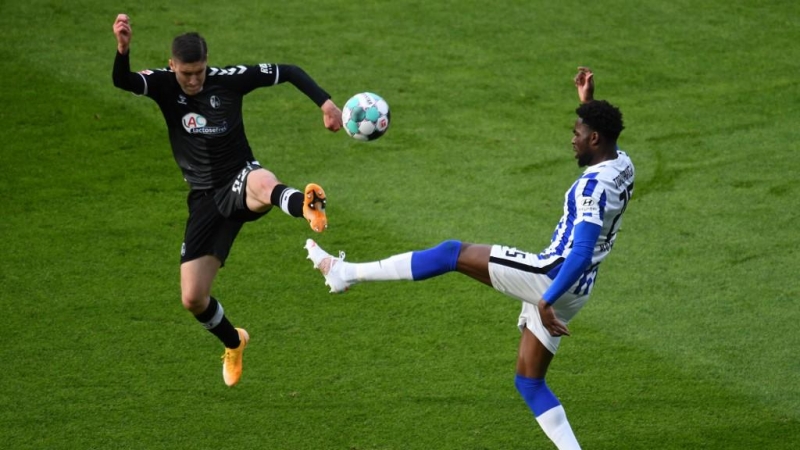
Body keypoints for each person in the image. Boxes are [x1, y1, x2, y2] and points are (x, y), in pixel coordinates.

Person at [305, 68, 633, 449]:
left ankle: (345, 273)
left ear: (594, 138)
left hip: (553, 277)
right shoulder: (622, 163)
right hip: (578, 290)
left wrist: (543, 300)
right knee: (529, 382)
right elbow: (603, 136)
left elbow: (578, 253)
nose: (572, 140)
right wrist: (588, 102)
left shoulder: (590, 189)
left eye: (578, 133)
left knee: (451, 254)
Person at [111, 13, 343, 387]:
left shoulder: (228, 81)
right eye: (186, 73)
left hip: (240, 176)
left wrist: (326, 104)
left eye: (199, 71)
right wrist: (123, 49)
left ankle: (305, 205)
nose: (194, 79)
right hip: (204, 199)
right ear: (173, 66)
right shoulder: (163, 85)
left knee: (261, 181)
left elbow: (289, 71)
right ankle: (235, 342)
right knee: (193, 298)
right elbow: (122, 80)